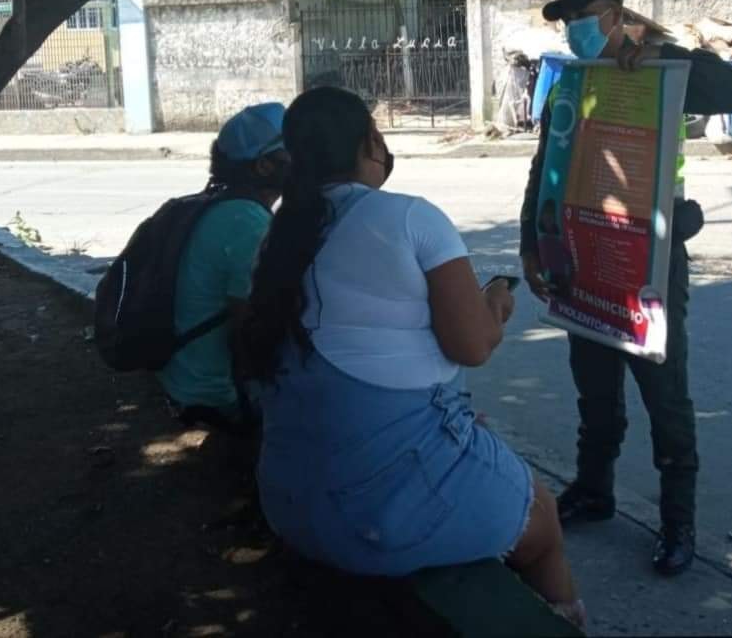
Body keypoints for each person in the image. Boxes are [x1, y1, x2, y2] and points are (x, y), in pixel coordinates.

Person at [239, 86, 585, 630]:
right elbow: (472, 348)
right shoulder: (410, 218)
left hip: (287, 499)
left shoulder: (278, 233)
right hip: (376, 517)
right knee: (541, 524)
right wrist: (493, 304)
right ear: (369, 142)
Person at [521, 0, 732, 576]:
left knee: (665, 396)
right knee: (594, 389)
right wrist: (532, 246)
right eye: (565, 20)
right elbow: (543, 166)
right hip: (581, 256)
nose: (571, 29)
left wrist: (665, 53)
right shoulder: (571, 83)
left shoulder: (662, 73)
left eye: (581, 17)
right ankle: (594, 490)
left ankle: (678, 523)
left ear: (613, 16)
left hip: (649, 260)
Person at [157, 102, 288, 434]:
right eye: (294, 151)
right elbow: (247, 328)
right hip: (213, 392)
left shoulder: (220, 205)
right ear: (264, 165)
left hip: (183, 375)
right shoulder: (248, 222)